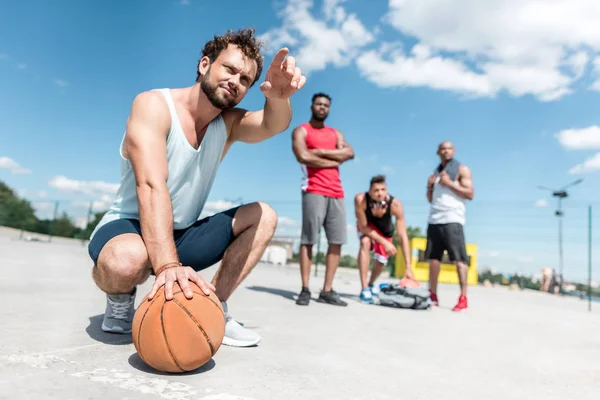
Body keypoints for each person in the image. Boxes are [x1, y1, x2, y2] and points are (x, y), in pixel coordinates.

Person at [87, 28, 307, 347]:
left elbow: (273, 124)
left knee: (265, 215)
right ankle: (120, 301)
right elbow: (150, 185)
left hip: (182, 233)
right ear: (205, 65)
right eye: (229, 69)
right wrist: (167, 266)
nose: (235, 81)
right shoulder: (154, 105)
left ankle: (211, 307)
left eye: (245, 80)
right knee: (125, 262)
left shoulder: (227, 124)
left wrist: (279, 99)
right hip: (128, 226)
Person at [291, 93, 354, 306]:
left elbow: (350, 153)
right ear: (311, 106)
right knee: (308, 239)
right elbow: (303, 156)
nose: (322, 108)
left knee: (336, 241)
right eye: (319, 104)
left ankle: (327, 290)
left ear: (329, 109)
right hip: (313, 189)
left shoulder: (336, 133)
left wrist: (319, 152)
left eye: (326, 105)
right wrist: (333, 159)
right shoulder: (301, 131)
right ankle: (305, 289)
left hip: (337, 191)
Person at [425, 141, 474, 311]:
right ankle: (432, 294)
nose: (446, 151)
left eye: (449, 148)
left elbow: (470, 194)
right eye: (443, 149)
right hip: (434, 219)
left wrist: (451, 184)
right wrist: (430, 185)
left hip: (453, 218)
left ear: (453, 151)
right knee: (433, 260)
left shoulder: (462, 170)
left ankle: (463, 297)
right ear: (438, 152)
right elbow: (430, 199)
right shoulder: (435, 172)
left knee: (459, 260)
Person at [354, 175, 415, 303]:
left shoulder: (395, 205)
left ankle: (371, 284)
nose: (380, 193)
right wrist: (384, 243)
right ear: (370, 191)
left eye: (383, 189)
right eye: (376, 190)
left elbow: (402, 236)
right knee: (365, 242)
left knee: (381, 260)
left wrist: (408, 267)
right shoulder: (361, 200)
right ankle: (364, 288)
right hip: (367, 226)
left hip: (384, 229)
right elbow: (364, 227)